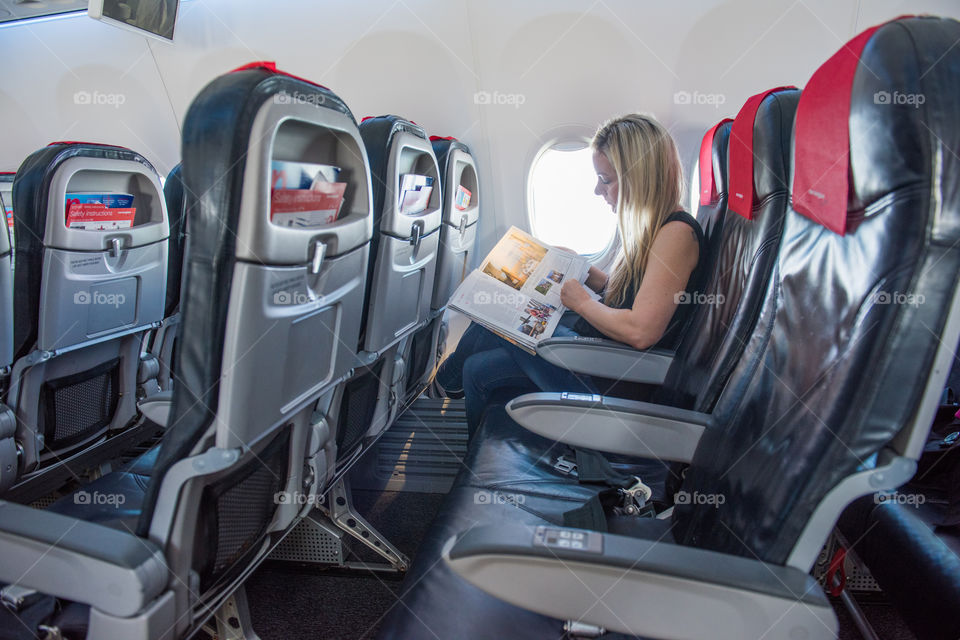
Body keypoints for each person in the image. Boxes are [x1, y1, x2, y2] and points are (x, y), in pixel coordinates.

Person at [436, 114, 705, 435]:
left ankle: (440, 386)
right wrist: (584, 270)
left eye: (605, 179)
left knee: (493, 318)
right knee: (477, 370)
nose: (597, 189)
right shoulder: (648, 226)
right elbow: (631, 299)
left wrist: (580, 302)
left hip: (614, 375)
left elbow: (641, 331)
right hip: (600, 358)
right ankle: (462, 432)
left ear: (640, 177)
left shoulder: (675, 233)